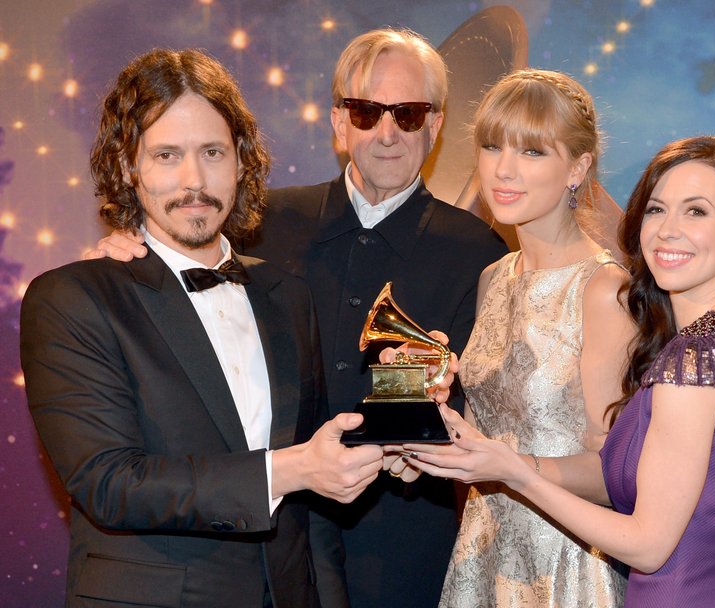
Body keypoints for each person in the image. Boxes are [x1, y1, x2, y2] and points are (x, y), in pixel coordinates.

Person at [88, 28, 508, 608]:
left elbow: (478, 407)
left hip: (404, 548)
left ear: (434, 126)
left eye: (408, 114)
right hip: (266, 547)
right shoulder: (257, 221)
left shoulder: (479, 250)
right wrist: (126, 250)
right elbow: (177, 264)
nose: (386, 133)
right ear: (339, 123)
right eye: (366, 112)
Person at [20, 48, 387, 608]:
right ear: (127, 167)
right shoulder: (72, 298)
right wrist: (286, 469)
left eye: (213, 152)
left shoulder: (286, 295)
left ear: (241, 160)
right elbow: (109, 483)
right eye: (167, 155)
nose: (194, 180)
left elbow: (312, 510)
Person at [406, 135, 715, 607]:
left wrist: (519, 477)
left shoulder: (694, 361)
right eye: (657, 209)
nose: (667, 230)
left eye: (696, 211)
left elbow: (648, 546)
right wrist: (487, 451)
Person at [395, 68, 633, 606]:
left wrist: (514, 469)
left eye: (531, 152)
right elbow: (483, 442)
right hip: (483, 554)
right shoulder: (494, 277)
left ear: (578, 167)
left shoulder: (603, 290)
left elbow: (613, 475)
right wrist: (425, 425)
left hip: (567, 565)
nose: (503, 169)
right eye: (492, 145)